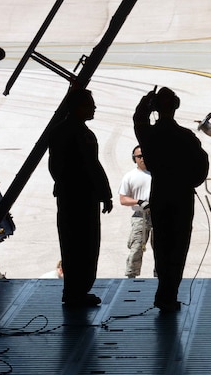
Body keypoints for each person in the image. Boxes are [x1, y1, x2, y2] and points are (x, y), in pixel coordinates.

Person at [133, 87, 208, 312]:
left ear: (156, 108)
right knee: (178, 245)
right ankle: (170, 293)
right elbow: (201, 167)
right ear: (176, 106)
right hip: (181, 195)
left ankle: (163, 292)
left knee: (162, 245)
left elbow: (138, 118)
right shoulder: (186, 137)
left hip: (161, 192)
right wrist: (188, 183)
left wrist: (147, 102)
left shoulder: (149, 136)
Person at [48, 89, 112, 307]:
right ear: (77, 107)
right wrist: (105, 193)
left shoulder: (58, 131)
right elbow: (92, 166)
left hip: (68, 196)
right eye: (89, 105)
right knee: (85, 245)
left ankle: (73, 291)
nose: (93, 108)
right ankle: (78, 291)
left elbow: (54, 167)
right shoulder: (81, 134)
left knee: (70, 244)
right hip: (82, 198)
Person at [118, 145, 153, 278]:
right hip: (140, 216)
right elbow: (123, 199)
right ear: (134, 159)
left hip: (159, 215)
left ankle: (161, 275)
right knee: (137, 246)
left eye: (144, 155)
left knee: (162, 248)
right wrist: (138, 202)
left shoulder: (158, 173)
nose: (142, 158)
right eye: (139, 156)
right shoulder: (130, 176)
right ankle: (131, 275)